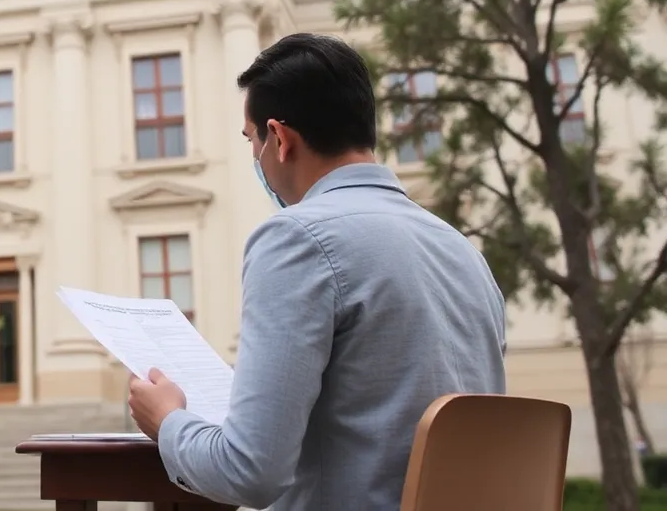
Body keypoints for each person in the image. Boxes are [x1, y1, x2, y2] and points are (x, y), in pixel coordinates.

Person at [126, 33, 507, 511]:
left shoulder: (297, 238)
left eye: (251, 140)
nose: (254, 157)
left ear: (280, 139)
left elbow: (248, 472)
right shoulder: (462, 250)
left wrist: (168, 421)